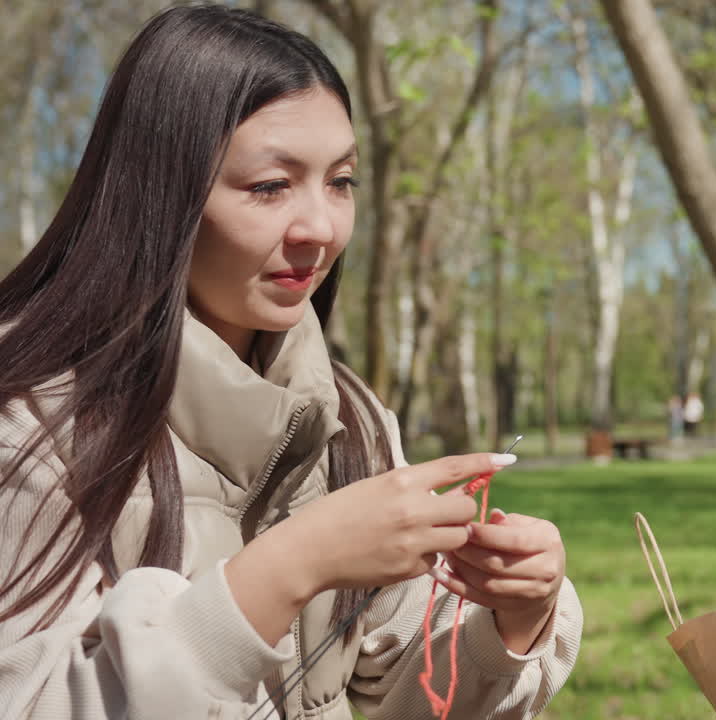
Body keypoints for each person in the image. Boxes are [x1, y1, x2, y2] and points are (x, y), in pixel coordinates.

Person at [0, 5, 581, 719]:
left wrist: (514, 619)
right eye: (270, 186)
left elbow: (399, 689)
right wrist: (292, 565)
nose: (322, 228)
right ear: (160, 194)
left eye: (340, 181)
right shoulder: (32, 426)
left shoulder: (352, 418)